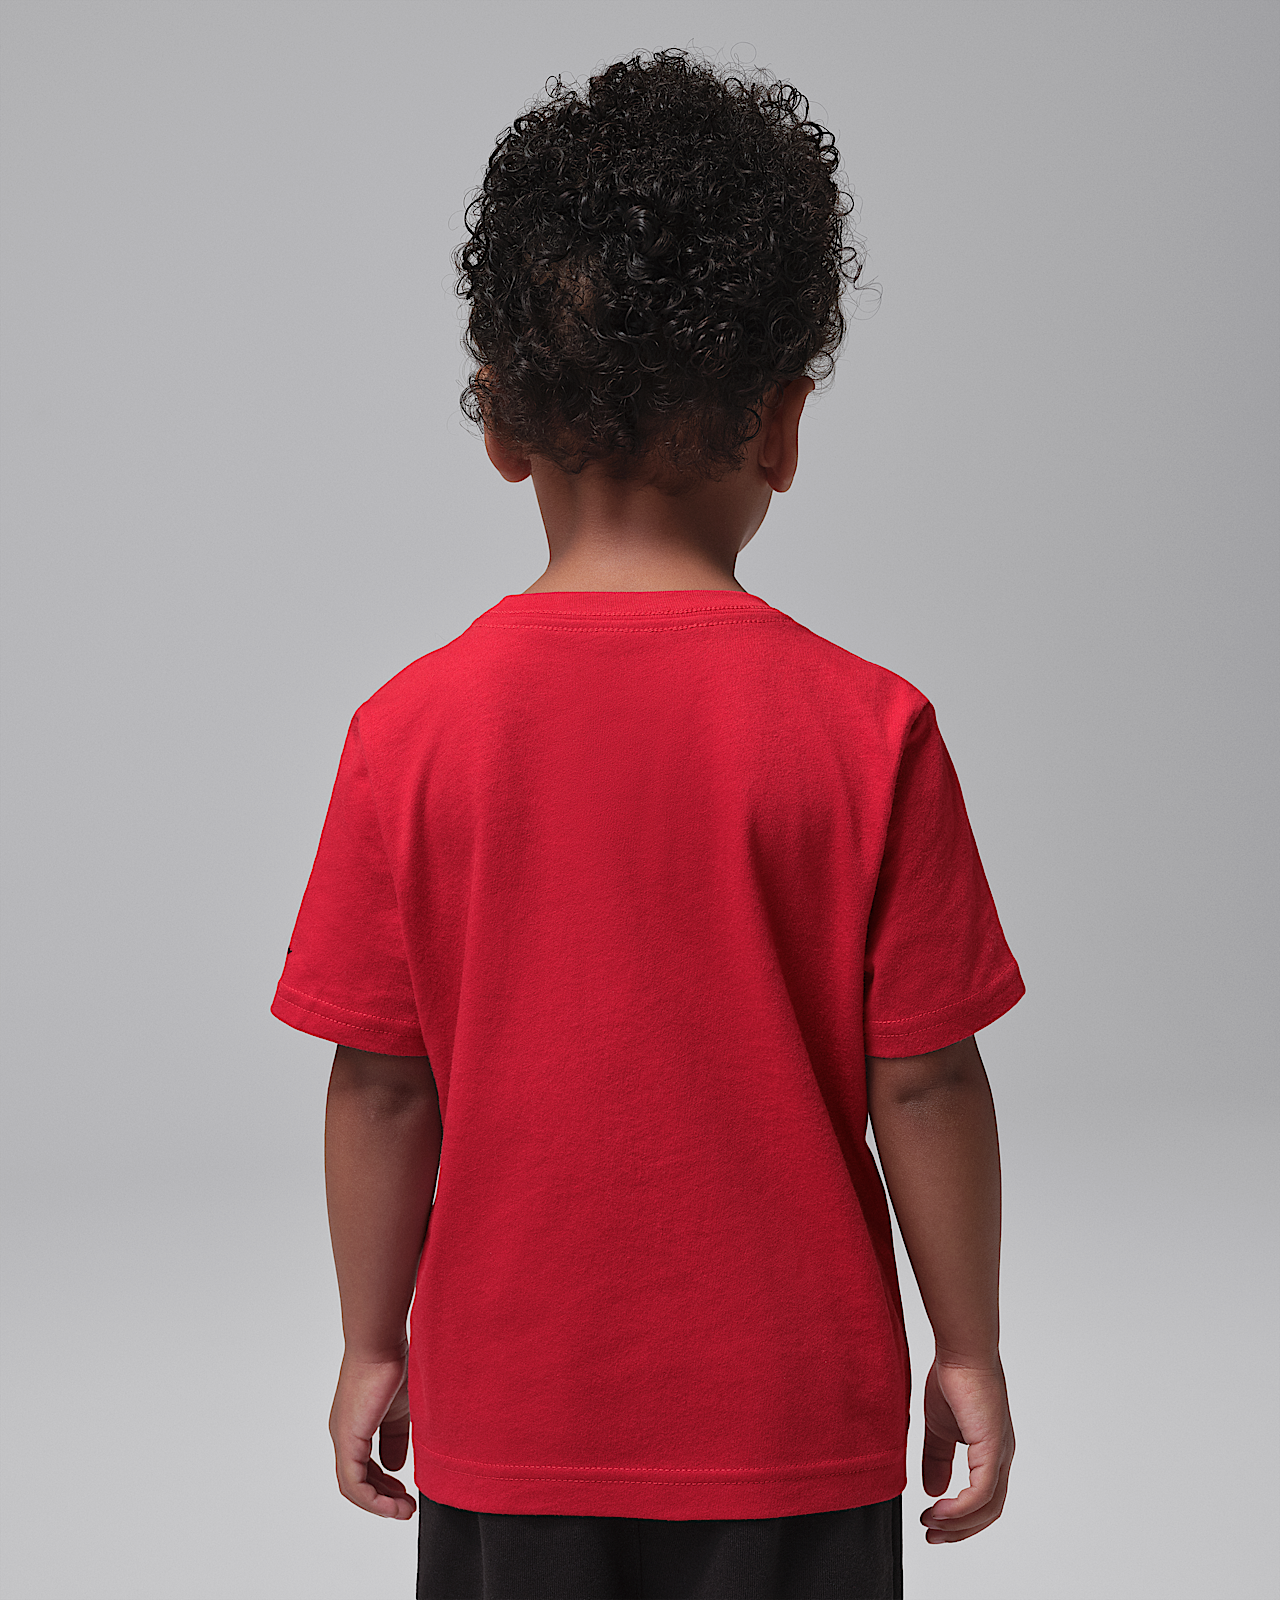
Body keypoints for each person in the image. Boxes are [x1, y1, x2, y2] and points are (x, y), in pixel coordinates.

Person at [271, 49, 1022, 1600]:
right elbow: (928, 1079)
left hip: (510, 1419)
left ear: (499, 422)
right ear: (784, 427)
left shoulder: (407, 735)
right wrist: (969, 1346)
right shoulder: (870, 731)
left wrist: (368, 1340)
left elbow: (382, 1084)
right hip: (790, 1428)